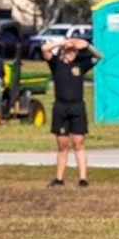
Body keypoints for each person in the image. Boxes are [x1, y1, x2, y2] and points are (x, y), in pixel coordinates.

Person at [43, 31, 102, 188]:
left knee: (79, 142)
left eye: (74, 51)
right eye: (69, 51)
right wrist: (63, 43)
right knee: (63, 145)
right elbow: (45, 49)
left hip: (77, 107)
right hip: (61, 107)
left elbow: (99, 56)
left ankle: (83, 179)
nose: (71, 54)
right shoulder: (56, 64)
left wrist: (86, 46)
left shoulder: (80, 65)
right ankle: (59, 179)